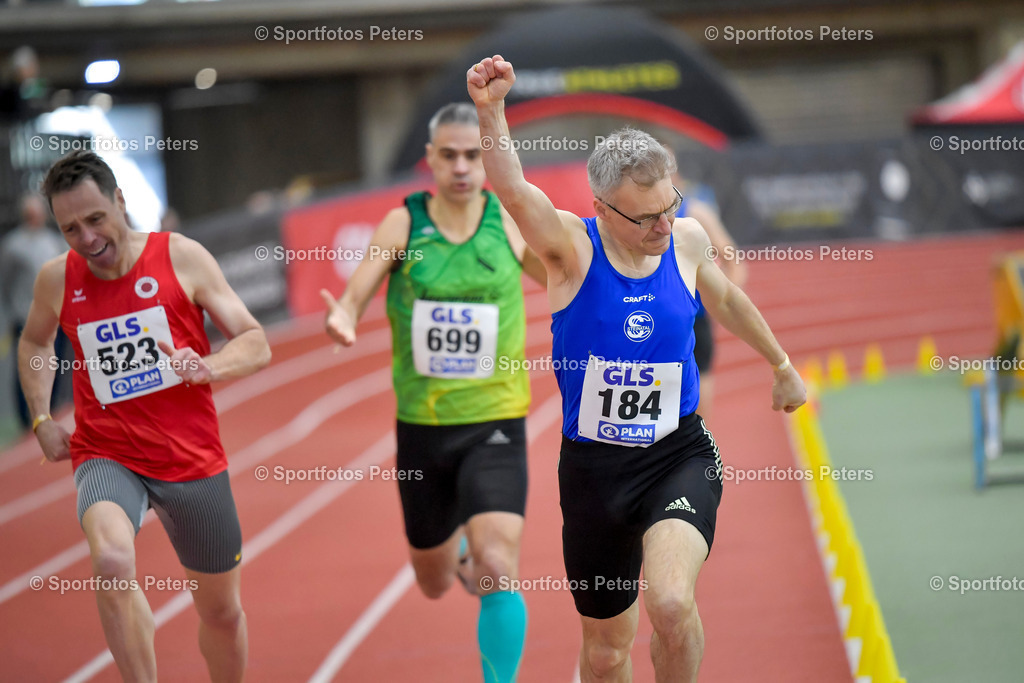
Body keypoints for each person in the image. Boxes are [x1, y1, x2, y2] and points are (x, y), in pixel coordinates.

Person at [468, 56, 806, 683]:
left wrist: (781, 364)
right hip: (594, 473)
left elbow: (725, 297)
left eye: (667, 207)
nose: (661, 224)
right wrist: (491, 111)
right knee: (605, 653)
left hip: (676, 453)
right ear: (601, 208)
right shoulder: (570, 251)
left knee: (672, 602)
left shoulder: (687, 239)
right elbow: (513, 191)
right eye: (643, 217)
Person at [19, 151, 271, 682]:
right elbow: (36, 341)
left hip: (189, 456)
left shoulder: (181, 257)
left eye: (94, 219)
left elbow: (255, 342)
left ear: (120, 201)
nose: (86, 238)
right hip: (106, 451)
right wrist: (42, 419)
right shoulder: (56, 280)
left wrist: (207, 367)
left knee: (220, 613)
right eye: (70, 228)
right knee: (110, 562)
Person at [320, 102, 546, 683]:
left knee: (499, 566)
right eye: (449, 156)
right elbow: (357, 291)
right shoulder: (406, 225)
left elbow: (559, 274)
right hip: (422, 428)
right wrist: (344, 315)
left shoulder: (507, 220)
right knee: (434, 580)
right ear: (430, 160)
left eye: (474, 155)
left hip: (496, 419)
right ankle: (458, 554)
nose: (463, 167)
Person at [667, 153, 748, 423]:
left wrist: (722, 300)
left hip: (694, 324)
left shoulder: (696, 211)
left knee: (696, 419)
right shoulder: (633, 217)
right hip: (653, 324)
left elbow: (734, 262)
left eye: (667, 166)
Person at [1, 193, 69, 428]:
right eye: (31, 214)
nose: (35, 217)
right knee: (28, 367)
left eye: (38, 213)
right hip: (26, 316)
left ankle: (52, 409)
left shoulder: (54, 240)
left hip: (55, 316)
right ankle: (27, 417)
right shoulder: (12, 245)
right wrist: (14, 309)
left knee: (55, 362)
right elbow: (6, 282)